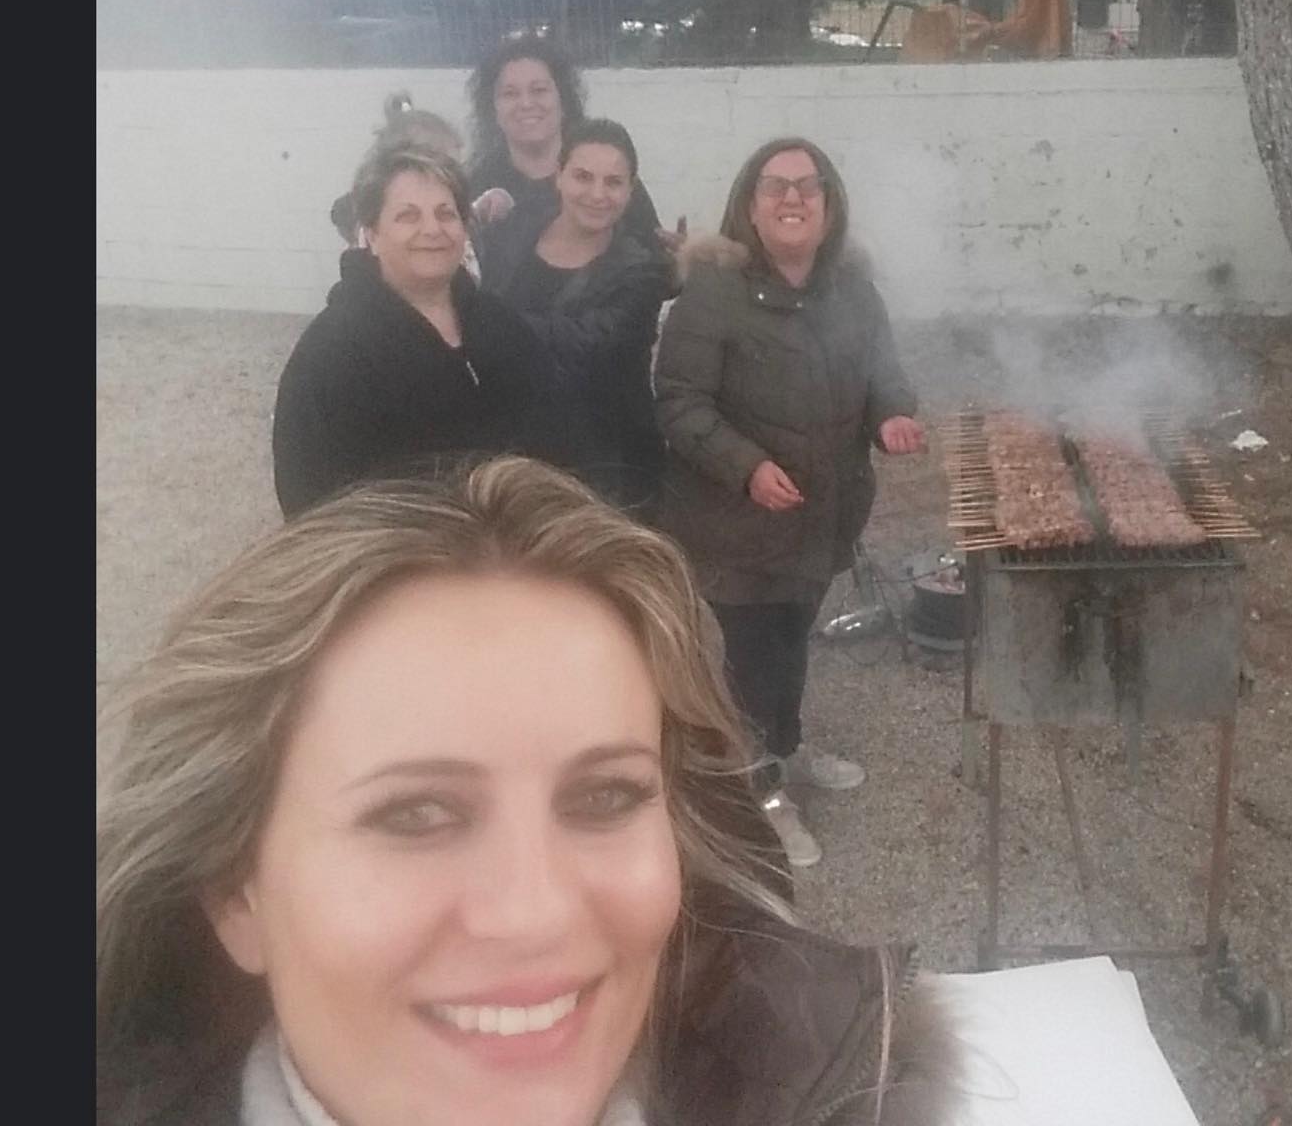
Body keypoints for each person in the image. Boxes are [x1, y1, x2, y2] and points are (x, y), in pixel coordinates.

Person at [96, 456, 959, 1126]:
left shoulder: (837, 1087)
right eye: (415, 814)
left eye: (605, 798)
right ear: (234, 894)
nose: (534, 912)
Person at [654, 137, 927, 867]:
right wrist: (747, 468)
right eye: (775, 186)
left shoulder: (852, 288)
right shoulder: (713, 292)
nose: (793, 198)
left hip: (822, 513)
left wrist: (892, 415)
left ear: (830, 205)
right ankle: (761, 787)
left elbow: (885, 374)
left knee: (793, 636)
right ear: (749, 205)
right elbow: (679, 402)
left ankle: (787, 745)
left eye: (809, 186)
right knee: (752, 658)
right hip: (735, 523)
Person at [271, 144, 563, 519]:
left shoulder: (499, 324)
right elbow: (309, 497)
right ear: (372, 234)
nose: (432, 229)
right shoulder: (331, 352)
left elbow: (556, 439)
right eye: (408, 216)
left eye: (446, 214)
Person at [479, 118, 671, 517]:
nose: (597, 194)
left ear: (631, 190)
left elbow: (586, 344)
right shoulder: (514, 229)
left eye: (613, 182)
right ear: (559, 176)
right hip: (511, 452)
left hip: (605, 466)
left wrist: (480, 321)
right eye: (583, 176)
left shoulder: (642, 270)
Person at [462, 36, 673, 253]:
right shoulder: (476, 185)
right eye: (510, 94)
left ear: (563, 100)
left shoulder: (607, 176)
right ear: (492, 108)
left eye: (539, 90)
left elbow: (654, 253)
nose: (526, 103)